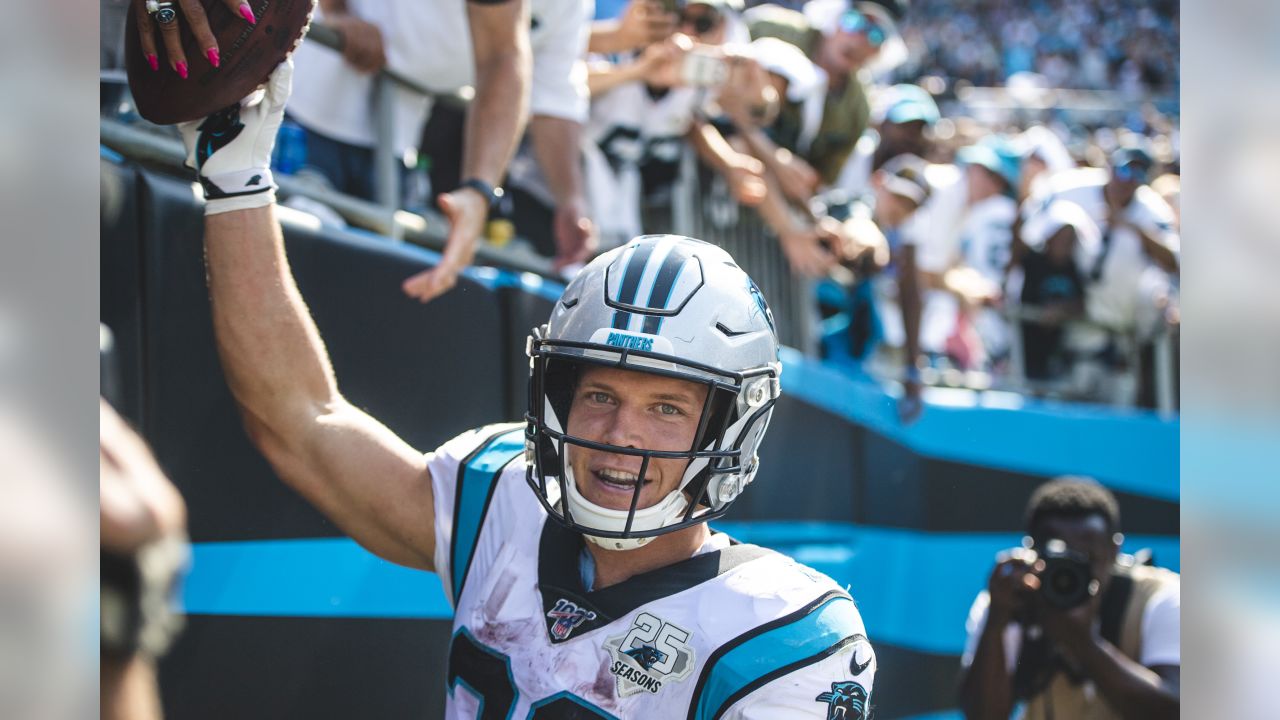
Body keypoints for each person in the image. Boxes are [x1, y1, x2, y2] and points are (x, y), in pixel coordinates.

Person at [183, 62, 875, 718]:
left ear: (728, 430)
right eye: (600, 394)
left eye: (667, 407)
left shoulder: (781, 641)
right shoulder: (500, 501)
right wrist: (236, 180)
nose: (620, 432)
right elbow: (300, 422)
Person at [278, 0, 532, 302]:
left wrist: (479, 192)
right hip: (298, 114)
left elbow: (502, 53)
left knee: (360, 299)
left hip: (398, 146)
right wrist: (336, 12)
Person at [957, 477, 1180, 720]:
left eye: (1087, 558)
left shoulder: (1161, 598)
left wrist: (1080, 642)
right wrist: (998, 621)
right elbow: (982, 716)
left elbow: (1176, 711)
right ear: (1031, 550)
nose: (1072, 574)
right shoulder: (1010, 600)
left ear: (1114, 549)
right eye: (1061, 559)